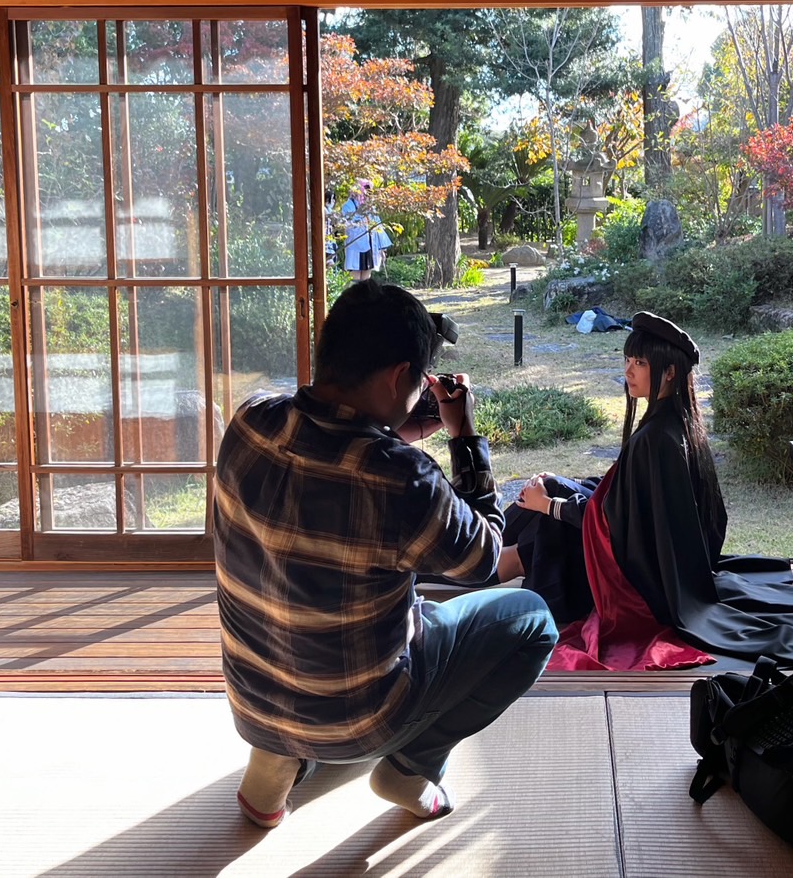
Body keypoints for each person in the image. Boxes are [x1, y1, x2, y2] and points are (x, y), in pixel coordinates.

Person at [213, 279, 557, 829]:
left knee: (313, 609)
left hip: (252, 700)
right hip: (360, 721)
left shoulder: (250, 421)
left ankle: (273, 761)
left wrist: (395, 429)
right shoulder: (402, 479)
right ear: (401, 377)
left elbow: (331, 447)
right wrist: (463, 435)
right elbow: (484, 557)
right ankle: (409, 767)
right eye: (419, 383)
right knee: (532, 620)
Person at [499, 311, 793, 672]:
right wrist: (557, 492)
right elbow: (627, 496)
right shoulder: (679, 422)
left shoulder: (655, 439)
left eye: (640, 363)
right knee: (554, 489)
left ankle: (490, 556)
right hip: (660, 565)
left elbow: (612, 523)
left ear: (670, 371)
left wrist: (550, 506)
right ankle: (490, 549)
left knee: (548, 525)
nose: (628, 370)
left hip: (641, 584)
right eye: (627, 360)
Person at [340, 179, 392, 281]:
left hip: (370, 245)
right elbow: (348, 225)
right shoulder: (348, 205)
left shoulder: (370, 207)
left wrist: (382, 248)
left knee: (366, 278)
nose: (367, 194)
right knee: (355, 278)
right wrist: (361, 218)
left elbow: (378, 226)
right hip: (355, 245)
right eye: (365, 190)